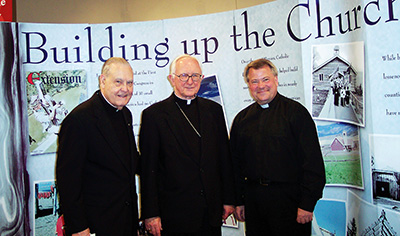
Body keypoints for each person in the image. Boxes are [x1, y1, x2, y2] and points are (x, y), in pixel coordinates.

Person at [139, 54, 235, 236]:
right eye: (184, 76)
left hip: (210, 210)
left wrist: (228, 199)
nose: (190, 81)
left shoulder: (214, 111)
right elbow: (148, 169)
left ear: (202, 78)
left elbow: (224, 157)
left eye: (195, 76)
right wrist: (151, 214)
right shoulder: (155, 115)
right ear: (171, 79)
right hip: (174, 214)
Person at [230, 58, 326, 236]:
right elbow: (235, 166)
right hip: (255, 202)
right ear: (249, 85)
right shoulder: (242, 120)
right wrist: (239, 201)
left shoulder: (296, 113)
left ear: (276, 79)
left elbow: (312, 163)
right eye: (254, 81)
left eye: (265, 79)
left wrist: (307, 204)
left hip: (290, 202)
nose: (261, 86)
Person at [56, 57, 140, 236]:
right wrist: (78, 227)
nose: (125, 89)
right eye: (118, 82)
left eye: (129, 83)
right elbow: (68, 181)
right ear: (103, 80)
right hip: (96, 225)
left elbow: (130, 161)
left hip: (126, 221)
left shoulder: (126, 114)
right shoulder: (79, 120)